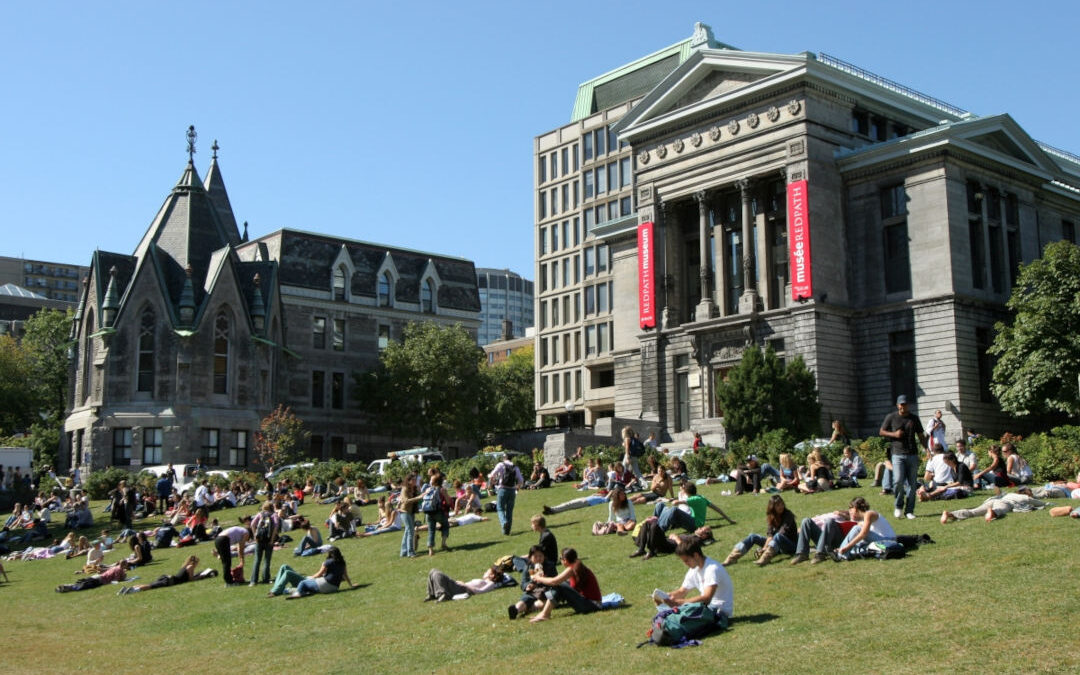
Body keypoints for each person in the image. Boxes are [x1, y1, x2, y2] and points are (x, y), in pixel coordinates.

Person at [652, 536, 733, 629]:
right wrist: (666, 597)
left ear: (696, 555)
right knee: (667, 612)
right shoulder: (694, 569)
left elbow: (707, 598)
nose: (685, 564)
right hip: (706, 608)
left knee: (678, 614)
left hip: (718, 612)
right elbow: (682, 591)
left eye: (686, 560)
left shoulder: (712, 569)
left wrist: (680, 603)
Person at [880, 394, 926, 520]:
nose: (903, 406)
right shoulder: (891, 417)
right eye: (901, 404)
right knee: (898, 481)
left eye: (905, 404)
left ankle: (909, 511)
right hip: (897, 453)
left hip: (912, 453)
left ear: (908, 405)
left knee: (912, 483)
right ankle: (898, 505)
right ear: (897, 405)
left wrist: (927, 448)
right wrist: (894, 434)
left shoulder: (914, 418)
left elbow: (921, 435)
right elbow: (882, 431)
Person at [527, 548, 602, 623]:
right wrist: (543, 579)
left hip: (592, 606)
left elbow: (554, 581)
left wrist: (538, 578)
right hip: (591, 604)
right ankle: (545, 612)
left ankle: (545, 614)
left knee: (558, 585)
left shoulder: (571, 569)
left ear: (565, 560)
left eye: (561, 558)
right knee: (554, 586)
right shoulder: (577, 565)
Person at [723, 495, 797, 567]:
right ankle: (732, 558)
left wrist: (765, 548)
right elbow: (770, 535)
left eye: (782, 504)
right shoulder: (771, 516)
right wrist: (765, 547)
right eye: (778, 505)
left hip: (790, 546)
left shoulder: (788, 515)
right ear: (772, 507)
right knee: (752, 536)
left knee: (778, 536)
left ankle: (765, 558)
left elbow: (781, 533)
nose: (781, 506)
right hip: (775, 545)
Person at [268, 547, 356, 598]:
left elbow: (318, 575)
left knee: (287, 572)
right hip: (328, 584)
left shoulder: (328, 562)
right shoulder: (342, 563)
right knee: (284, 566)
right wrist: (351, 585)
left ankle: (275, 592)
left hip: (320, 582)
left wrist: (310, 577)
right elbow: (346, 575)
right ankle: (275, 589)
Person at [652, 481, 735, 533]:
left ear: (687, 492)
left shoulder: (693, 499)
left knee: (673, 509)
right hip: (693, 521)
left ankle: (658, 530)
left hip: (694, 525)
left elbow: (676, 503)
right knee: (660, 505)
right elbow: (717, 509)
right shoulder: (701, 498)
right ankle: (653, 525)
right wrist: (729, 520)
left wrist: (671, 500)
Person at [833, 497, 896, 561]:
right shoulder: (862, 520)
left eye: (850, 509)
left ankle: (840, 555)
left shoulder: (869, 514)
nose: (850, 512)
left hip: (888, 541)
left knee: (857, 528)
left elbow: (863, 534)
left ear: (855, 508)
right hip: (880, 541)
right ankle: (844, 553)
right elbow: (851, 519)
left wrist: (846, 547)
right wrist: (841, 514)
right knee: (858, 545)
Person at [507, 545, 559, 620]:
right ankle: (516, 610)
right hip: (533, 591)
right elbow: (523, 583)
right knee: (524, 600)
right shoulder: (528, 567)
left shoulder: (550, 565)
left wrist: (544, 578)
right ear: (530, 558)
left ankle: (530, 608)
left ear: (544, 556)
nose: (538, 558)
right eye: (535, 556)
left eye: (540, 556)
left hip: (547, 590)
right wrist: (528, 586)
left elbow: (555, 581)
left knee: (544, 603)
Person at [117, 555, 215, 595]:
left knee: (151, 584)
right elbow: (190, 580)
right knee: (151, 586)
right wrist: (200, 577)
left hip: (168, 577)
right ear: (195, 563)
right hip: (170, 581)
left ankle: (129, 588)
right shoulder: (190, 567)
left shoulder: (184, 566)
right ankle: (132, 591)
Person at [941, 492, 1049, 523]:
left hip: (992, 500)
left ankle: (951, 513)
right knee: (1001, 510)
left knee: (973, 512)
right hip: (1004, 503)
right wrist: (1045, 504)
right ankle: (992, 512)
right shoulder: (1022, 497)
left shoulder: (1008, 494)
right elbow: (1034, 501)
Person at [425, 565, 510, 602]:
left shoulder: (491, 583)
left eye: (487, 572)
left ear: (492, 575)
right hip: (458, 586)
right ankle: (431, 594)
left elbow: (480, 591)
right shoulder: (485, 580)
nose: (484, 573)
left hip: (462, 589)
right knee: (433, 571)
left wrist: (465, 585)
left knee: (438, 574)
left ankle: (443, 594)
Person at [488, 454, 524, 536]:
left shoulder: (501, 465)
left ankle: (504, 522)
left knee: (500, 508)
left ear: (504, 458)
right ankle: (506, 532)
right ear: (511, 458)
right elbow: (521, 480)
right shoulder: (515, 467)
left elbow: (492, 475)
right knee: (509, 510)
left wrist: (492, 482)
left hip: (502, 489)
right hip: (512, 490)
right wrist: (517, 487)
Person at [214, 516, 252, 586]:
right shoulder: (246, 533)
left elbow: (238, 547)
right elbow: (241, 548)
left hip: (218, 539)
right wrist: (242, 561)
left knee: (225, 561)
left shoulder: (241, 530)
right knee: (227, 562)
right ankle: (229, 582)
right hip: (223, 539)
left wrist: (240, 559)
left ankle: (228, 580)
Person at [420, 473, 451, 556]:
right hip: (438, 512)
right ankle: (443, 543)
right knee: (445, 525)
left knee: (431, 530)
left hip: (428, 512)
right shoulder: (442, 489)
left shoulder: (428, 489)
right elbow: (448, 502)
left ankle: (430, 549)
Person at [249, 502, 279, 586]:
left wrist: (255, 535)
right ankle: (265, 578)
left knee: (257, 560)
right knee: (267, 560)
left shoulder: (260, 514)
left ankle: (253, 581)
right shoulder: (274, 515)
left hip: (259, 539)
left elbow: (252, 524)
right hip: (268, 539)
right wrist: (272, 540)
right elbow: (276, 527)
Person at [56, 560, 131, 593]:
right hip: (99, 580)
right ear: (124, 565)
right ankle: (66, 587)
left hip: (97, 576)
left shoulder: (116, 567)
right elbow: (116, 580)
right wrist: (124, 577)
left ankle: (66, 586)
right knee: (82, 586)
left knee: (82, 582)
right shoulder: (119, 570)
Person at [397, 473, 420, 558]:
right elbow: (406, 501)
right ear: (409, 481)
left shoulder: (413, 488)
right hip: (404, 511)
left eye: (415, 480)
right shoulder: (404, 489)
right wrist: (419, 497)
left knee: (407, 531)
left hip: (411, 512)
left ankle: (403, 552)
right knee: (411, 531)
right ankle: (410, 552)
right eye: (413, 480)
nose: (415, 481)